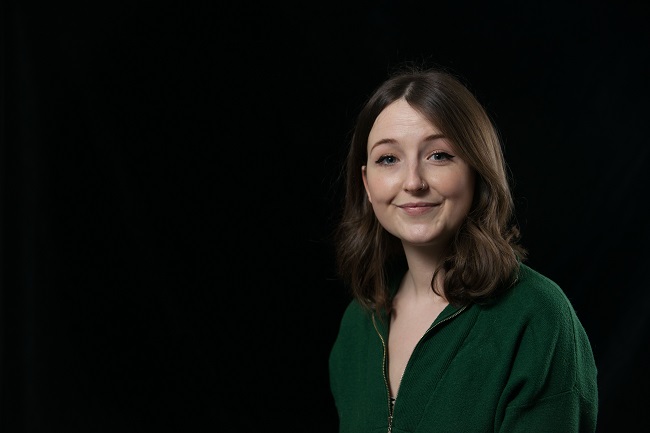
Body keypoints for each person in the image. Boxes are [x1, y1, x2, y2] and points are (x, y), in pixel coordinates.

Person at [328, 66, 598, 432]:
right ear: (367, 183)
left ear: (476, 168)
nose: (413, 182)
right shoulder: (357, 326)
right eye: (388, 159)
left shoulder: (538, 319)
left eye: (439, 155)